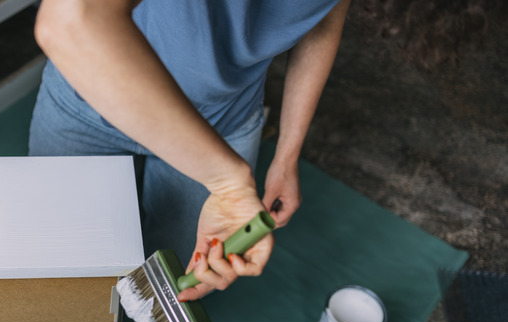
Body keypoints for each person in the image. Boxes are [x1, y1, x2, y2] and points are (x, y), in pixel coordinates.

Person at [29, 0, 350, 302]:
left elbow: (322, 21)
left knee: (186, 274)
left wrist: (287, 155)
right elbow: (69, 22)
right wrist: (230, 183)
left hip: (224, 122)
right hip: (86, 103)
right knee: (59, 265)